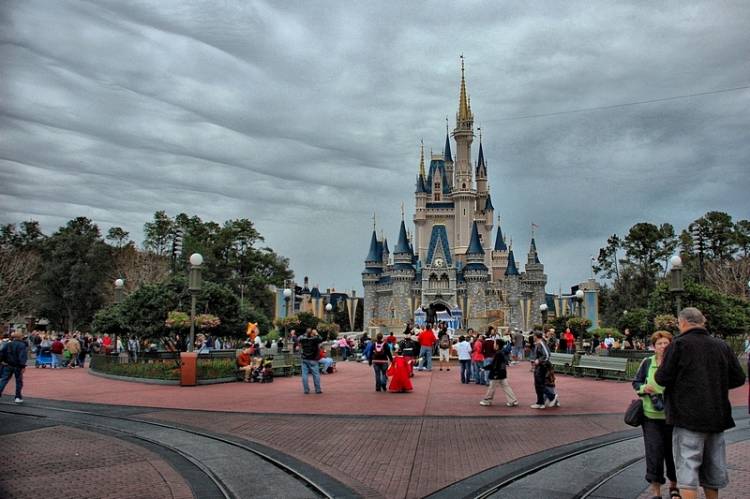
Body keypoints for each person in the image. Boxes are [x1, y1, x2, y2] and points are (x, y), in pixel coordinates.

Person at [655, 307, 746, 499]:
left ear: (683, 323)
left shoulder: (678, 345)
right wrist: (715, 384)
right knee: (712, 472)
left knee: (688, 472)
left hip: (686, 417)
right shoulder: (721, 345)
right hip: (716, 417)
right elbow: (738, 378)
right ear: (702, 321)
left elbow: (662, 378)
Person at [633, 331, 679, 499]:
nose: (663, 347)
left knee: (672, 453)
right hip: (650, 416)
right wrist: (643, 389)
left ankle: (674, 485)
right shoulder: (647, 363)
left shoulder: (676, 364)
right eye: (659, 344)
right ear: (654, 347)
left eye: (666, 343)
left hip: (672, 416)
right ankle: (656, 492)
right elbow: (636, 382)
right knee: (654, 453)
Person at [480, 339, 519, 407]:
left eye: (494, 343)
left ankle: (487, 400)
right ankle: (513, 400)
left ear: (497, 345)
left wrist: (484, 368)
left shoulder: (498, 353)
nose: (493, 345)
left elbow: (494, 365)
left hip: (496, 373)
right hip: (502, 372)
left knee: (492, 387)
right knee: (506, 387)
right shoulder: (502, 352)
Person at [0, 331, 28, 403]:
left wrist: (2, 361)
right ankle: (18, 397)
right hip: (17, 366)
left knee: (4, 380)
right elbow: (22, 356)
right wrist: (23, 366)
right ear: (20, 337)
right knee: (18, 381)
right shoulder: (22, 345)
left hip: (8, 365)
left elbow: (1, 353)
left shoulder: (8, 344)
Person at [530, 331, 555, 409]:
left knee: (540, 384)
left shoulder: (541, 343)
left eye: (534, 336)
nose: (533, 337)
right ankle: (540, 402)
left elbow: (547, 355)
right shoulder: (538, 344)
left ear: (536, 336)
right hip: (539, 367)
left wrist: (539, 361)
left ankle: (552, 397)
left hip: (542, 367)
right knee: (538, 385)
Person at [299, 329, 323, 394]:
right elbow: (320, 339)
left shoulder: (303, 339)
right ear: (312, 334)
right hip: (313, 359)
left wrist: (306, 333)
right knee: (316, 374)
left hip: (305, 359)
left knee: (304, 375)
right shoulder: (314, 339)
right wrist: (316, 333)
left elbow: (299, 338)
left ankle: (306, 390)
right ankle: (318, 389)